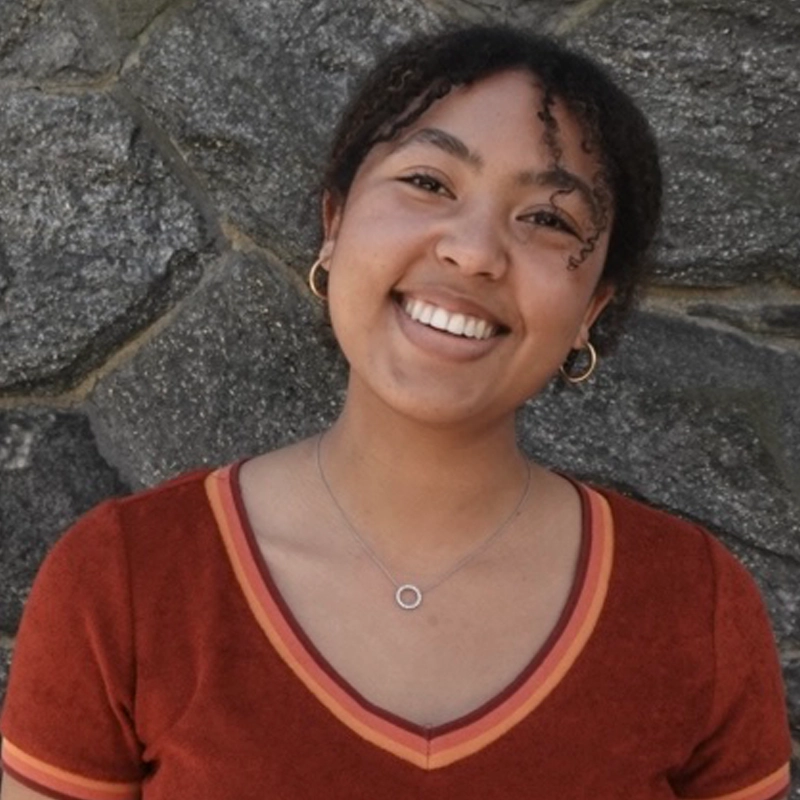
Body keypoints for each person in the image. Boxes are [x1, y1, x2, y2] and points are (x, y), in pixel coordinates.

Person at [0, 25, 791, 800]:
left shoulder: (693, 607)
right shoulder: (124, 580)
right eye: (429, 183)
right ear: (335, 224)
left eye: (548, 219)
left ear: (594, 307)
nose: (474, 250)